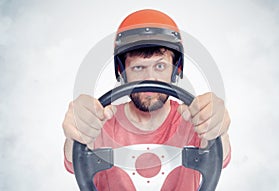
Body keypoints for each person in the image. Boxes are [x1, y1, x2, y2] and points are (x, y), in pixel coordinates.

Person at [62, 9, 231, 190]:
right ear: (122, 72)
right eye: (138, 67)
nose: (150, 78)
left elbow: (221, 156)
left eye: (160, 66)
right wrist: (77, 131)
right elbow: (73, 160)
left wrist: (217, 128)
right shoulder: (101, 120)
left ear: (176, 70)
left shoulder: (193, 119)